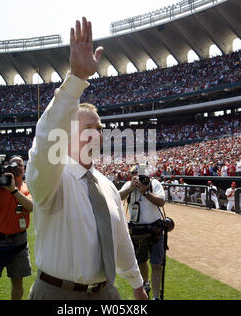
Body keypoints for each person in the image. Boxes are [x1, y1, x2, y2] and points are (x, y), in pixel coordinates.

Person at [25, 17, 147, 300]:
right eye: (88, 128)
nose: (97, 134)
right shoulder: (52, 179)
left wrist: (138, 286)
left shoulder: (105, 186)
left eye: (100, 129)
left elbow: (120, 240)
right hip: (57, 293)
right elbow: (45, 142)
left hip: (106, 293)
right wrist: (77, 79)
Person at [0, 156, 33, 300]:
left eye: (20, 165)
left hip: (19, 242)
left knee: (17, 283)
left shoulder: (27, 187)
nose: (16, 168)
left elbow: (31, 206)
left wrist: (13, 190)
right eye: (13, 165)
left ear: (24, 169)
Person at [119, 165, 166, 300]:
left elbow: (161, 202)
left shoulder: (154, 183)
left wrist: (145, 192)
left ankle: (156, 296)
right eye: (134, 174)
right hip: (137, 230)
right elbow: (117, 197)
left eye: (139, 174)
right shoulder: (129, 184)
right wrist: (130, 189)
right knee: (141, 261)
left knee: (157, 264)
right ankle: (145, 283)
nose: (137, 177)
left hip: (154, 229)